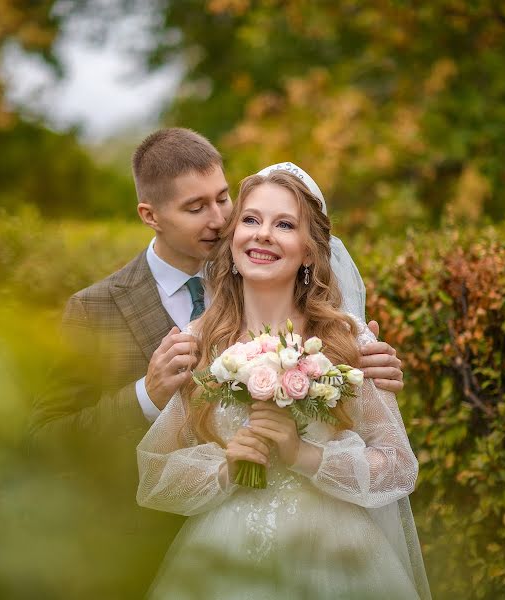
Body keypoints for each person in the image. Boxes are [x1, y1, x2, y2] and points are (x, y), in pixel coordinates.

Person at [27, 129, 407, 598]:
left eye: (225, 199)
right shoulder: (100, 310)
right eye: (195, 208)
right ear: (151, 215)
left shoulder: (316, 312)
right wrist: (148, 395)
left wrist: (367, 371)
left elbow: (389, 456)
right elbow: (45, 440)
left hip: (333, 553)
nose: (221, 220)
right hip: (169, 552)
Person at [136, 166, 430, 599]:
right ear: (233, 236)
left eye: (285, 225)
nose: (263, 234)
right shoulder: (199, 341)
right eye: (251, 220)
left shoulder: (348, 340)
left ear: (310, 252)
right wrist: (225, 469)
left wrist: (305, 455)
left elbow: (398, 468)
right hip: (226, 555)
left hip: (337, 557)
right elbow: (156, 472)